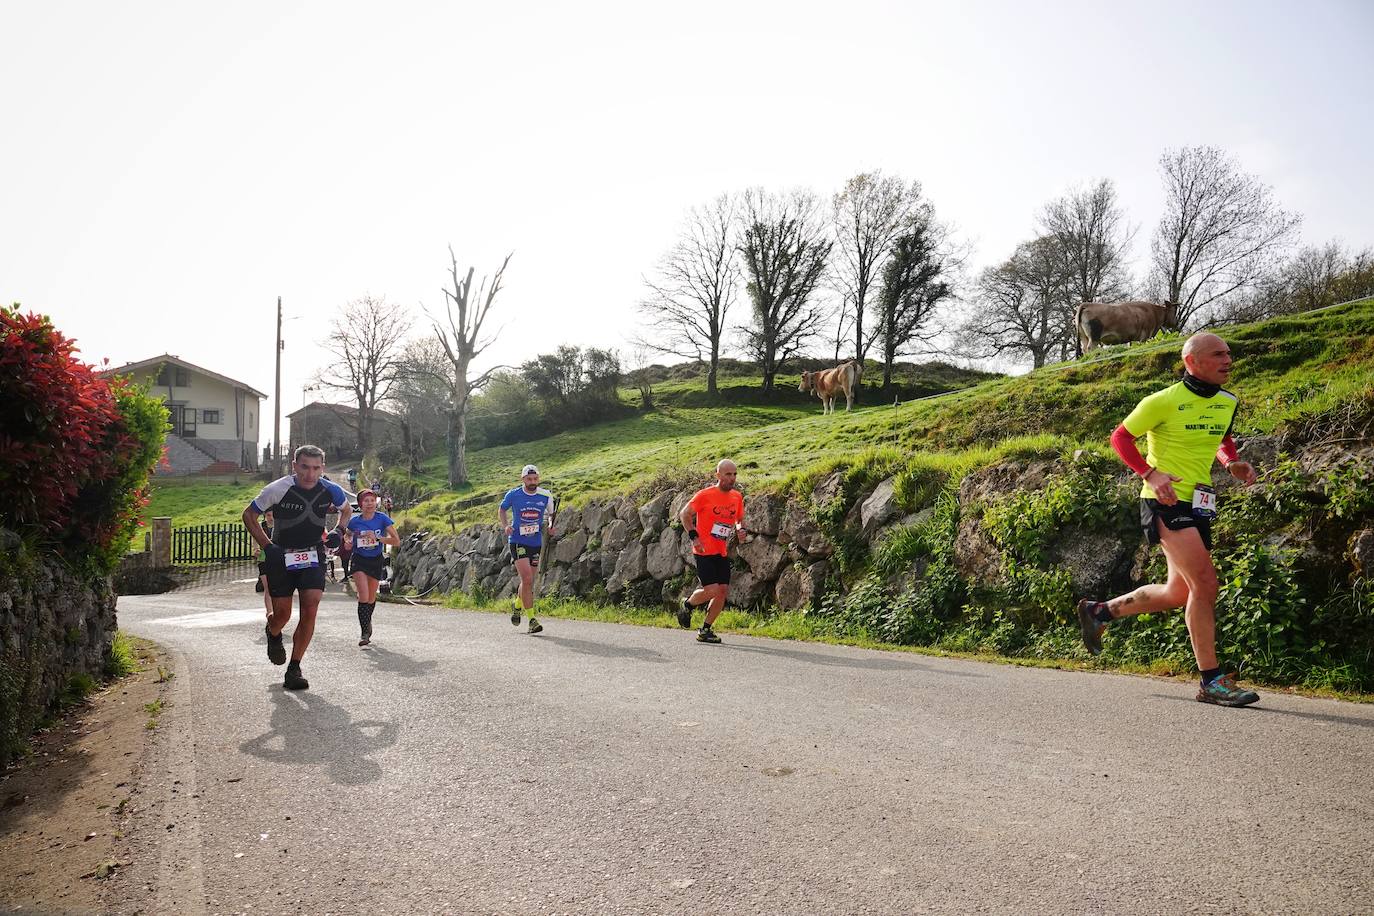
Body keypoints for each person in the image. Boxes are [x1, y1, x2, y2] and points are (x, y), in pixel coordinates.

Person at [1076, 332, 1261, 707]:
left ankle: (1100, 611)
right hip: (1165, 499)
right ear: (1191, 361)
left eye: (1229, 353)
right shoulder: (1162, 401)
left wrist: (1230, 462)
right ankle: (1212, 680)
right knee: (1206, 583)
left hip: (1199, 502)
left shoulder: (1227, 401)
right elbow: (1120, 438)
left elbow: (1221, 438)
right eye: (1217, 354)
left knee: (1179, 592)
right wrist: (1150, 473)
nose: (1228, 360)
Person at [242, 444, 350, 691]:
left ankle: (294, 668)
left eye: (316, 468)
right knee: (282, 616)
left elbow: (346, 511)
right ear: (295, 466)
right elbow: (249, 515)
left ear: (322, 468)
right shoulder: (278, 488)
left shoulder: (330, 489)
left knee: (310, 608)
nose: (310, 474)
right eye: (304, 467)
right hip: (281, 556)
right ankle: (273, 632)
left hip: (313, 554)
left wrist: (339, 531)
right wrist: (268, 547)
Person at [677, 459, 747, 644]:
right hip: (703, 550)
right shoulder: (705, 495)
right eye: (728, 474)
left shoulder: (736, 497)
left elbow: (739, 519)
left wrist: (740, 529)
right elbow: (684, 514)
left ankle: (705, 630)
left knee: (722, 591)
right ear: (718, 475)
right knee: (712, 589)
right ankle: (688, 604)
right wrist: (694, 536)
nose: (732, 478)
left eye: (734, 474)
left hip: (721, 551)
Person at [498, 465, 555, 635]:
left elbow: (551, 514)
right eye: (529, 479)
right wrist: (506, 525)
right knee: (528, 578)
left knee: (528, 581)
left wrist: (551, 526)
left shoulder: (545, 495)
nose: (533, 482)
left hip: (535, 542)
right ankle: (531, 620)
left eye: (535, 479)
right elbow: (502, 509)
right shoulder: (514, 494)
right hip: (517, 541)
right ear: (523, 479)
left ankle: (517, 604)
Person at [347, 488, 400, 646]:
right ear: (360, 504)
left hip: (375, 560)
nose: (369, 504)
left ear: (376, 503)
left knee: (371, 597)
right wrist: (348, 540)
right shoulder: (355, 521)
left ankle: (367, 622)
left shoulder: (382, 519)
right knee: (363, 595)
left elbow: (396, 541)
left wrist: (377, 537)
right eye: (366, 501)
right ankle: (364, 633)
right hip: (358, 560)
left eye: (372, 500)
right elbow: (348, 536)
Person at [254, 510, 275, 620]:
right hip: (264, 559)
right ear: (265, 516)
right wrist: (255, 549)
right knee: (268, 587)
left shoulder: (280, 526)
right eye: (268, 515)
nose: (271, 518)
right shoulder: (260, 527)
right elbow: (255, 542)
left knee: (276, 587)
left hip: (277, 560)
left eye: (273, 515)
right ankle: (269, 613)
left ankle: (277, 611)